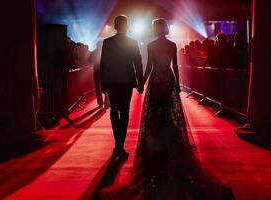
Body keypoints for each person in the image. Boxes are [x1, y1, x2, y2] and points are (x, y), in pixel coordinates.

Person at [97, 18, 234, 200]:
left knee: (145, 114)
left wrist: (141, 82)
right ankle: (167, 144)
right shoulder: (170, 45)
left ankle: (132, 146)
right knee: (167, 114)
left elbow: (145, 66)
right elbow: (172, 66)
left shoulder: (146, 45)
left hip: (149, 80)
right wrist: (176, 84)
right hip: (166, 80)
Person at [100, 15, 144, 159]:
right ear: (127, 26)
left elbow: (104, 63)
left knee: (114, 110)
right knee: (124, 111)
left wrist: (103, 82)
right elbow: (138, 63)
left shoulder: (107, 42)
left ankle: (117, 142)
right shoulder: (132, 42)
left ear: (115, 26)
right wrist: (140, 81)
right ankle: (120, 144)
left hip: (112, 81)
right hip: (126, 81)